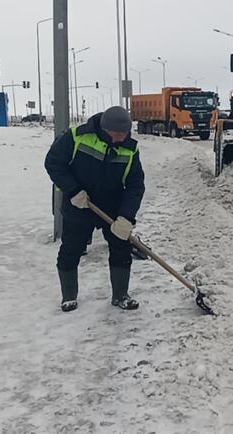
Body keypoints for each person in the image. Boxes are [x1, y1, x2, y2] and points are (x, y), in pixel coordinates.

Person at [44, 106, 145, 312]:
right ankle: (69, 296)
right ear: (104, 129)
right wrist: (73, 191)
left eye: (124, 134)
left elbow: (135, 185)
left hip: (112, 206)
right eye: (116, 135)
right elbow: (53, 163)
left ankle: (121, 295)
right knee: (71, 249)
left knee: (121, 249)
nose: (120, 139)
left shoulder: (130, 148)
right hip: (80, 202)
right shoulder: (77, 136)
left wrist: (126, 217)